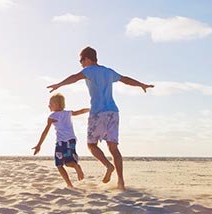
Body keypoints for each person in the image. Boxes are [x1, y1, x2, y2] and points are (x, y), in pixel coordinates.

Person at [47, 46, 154, 190]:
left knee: (91, 145)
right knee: (114, 149)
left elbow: (74, 77)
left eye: (81, 60)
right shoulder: (109, 72)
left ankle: (108, 165)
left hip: (98, 113)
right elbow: (125, 79)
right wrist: (141, 84)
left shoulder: (89, 70)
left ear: (88, 59)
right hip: (113, 112)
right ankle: (120, 182)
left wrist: (59, 84)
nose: (81, 64)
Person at [32, 93, 89, 188]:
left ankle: (69, 184)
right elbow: (80, 111)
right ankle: (76, 166)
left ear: (58, 104)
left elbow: (45, 132)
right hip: (72, 141)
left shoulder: (52, 116)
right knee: (68, 162)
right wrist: (91, 109)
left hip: (61, 142)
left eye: (51, 103)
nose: (48, 105)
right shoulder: (68, 113)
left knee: (59, 165)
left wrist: (39, 145)